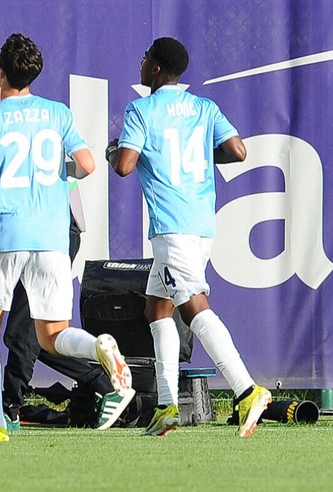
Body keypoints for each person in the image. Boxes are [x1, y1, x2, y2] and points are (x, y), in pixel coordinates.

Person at [0, 33, 134, 443]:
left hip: (4, 233)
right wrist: (52, 176)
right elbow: (88, 165)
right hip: (52, 235)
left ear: (1, 73)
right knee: (52, 334)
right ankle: (99, 346)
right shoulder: (57, 113)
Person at [106, 36, 271, 437]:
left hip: (171, 225)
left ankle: (246, 390)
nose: (141, 62)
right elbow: (238, 151)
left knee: (194, 306)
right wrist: (199, 153)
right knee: (157, 310)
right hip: (201, 223)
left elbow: (125, 166)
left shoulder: (140, 109)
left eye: (146, 58)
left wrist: (114, 151)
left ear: (156, 69)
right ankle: (166, 406)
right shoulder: (204, 107)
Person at [0, 75, 116, 432]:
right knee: (34, 335)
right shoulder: (38, 119)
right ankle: (13, 406)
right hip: (46, 234)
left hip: (48, 230)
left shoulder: (9, 123)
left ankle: (11, 411)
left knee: (19, 331)